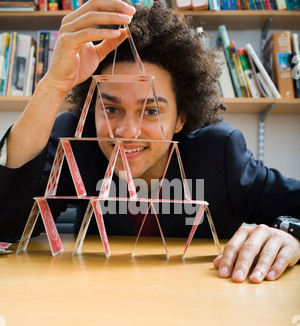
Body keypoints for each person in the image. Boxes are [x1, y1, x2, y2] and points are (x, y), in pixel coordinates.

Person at [0, 0, 299, 283]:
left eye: (151, 110)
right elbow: (6, 222)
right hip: (94, 303)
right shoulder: (79, 141)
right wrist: (52, 85)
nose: (127, 132)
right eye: (111, 109)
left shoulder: (219, 152)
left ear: (181, 117)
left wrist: (292, 233)